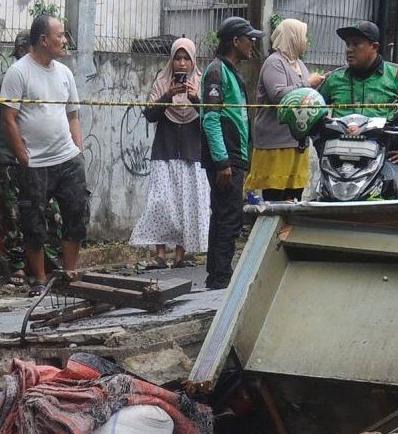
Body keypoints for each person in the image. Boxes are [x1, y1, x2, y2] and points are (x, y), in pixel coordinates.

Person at [0, 13, 90, 289]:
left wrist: (77, 148)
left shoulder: (65, 73)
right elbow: (8, 117)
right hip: (36, 163)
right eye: (59, 35)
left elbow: (72, 113)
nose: (64, 40)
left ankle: (69, 274)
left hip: (68, 158)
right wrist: (23, 156)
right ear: (43, 40)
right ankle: (39, 278)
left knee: (77, 213)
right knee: (34, 222)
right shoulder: (19, 72)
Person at [317, 21, 398, 174]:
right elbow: (313, 111)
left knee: (397, 194)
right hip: (337, 163)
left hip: (383, 163)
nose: (349, 50)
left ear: (374, 47)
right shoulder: (334, 78)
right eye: (347, 44)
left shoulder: (397, 75)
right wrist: (319, 144)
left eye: (356, 44)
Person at [130, 37, 207, 267]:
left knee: (187, 201)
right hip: (165, 149)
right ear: (171, 60)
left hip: (192, 152)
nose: (181, 64)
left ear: (193, 61)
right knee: (161, 202)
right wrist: (168, 96)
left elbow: (209, 118)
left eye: (186, 59)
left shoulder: (201, 82)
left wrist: (194, 98)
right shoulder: (162, 81)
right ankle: (160, 254)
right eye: (177, 58)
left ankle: (180, 255)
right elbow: (150, 115)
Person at [201, 15, 262, 288]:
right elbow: (210, 119)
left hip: (234, 156)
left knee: (225, 215)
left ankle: (216, 276)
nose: (252, 44)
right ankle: (221, 279)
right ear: (235, 41)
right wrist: (222, 161)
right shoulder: (216, 71)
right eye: (249, 39)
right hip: (226, 159)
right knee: (229, 217)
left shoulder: (230, 70)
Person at [244, 17, 315, 202]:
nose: (305, 41)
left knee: (295, 196)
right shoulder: (274, 62)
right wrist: (309, 84)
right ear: (292, 37)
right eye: (303, 36)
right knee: (275, 197)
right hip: (275, 143)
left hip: (296, 142)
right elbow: (278, 95)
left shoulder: (299, 65)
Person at [0, 31, 32, 276]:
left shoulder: (38, 80)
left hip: (36, 156)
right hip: (8, 159)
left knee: (38, 209)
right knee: (12, 213)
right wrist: (6, 146)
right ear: (24, 51)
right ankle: (18, 267)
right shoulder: (0, 83)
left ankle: (40, 263)